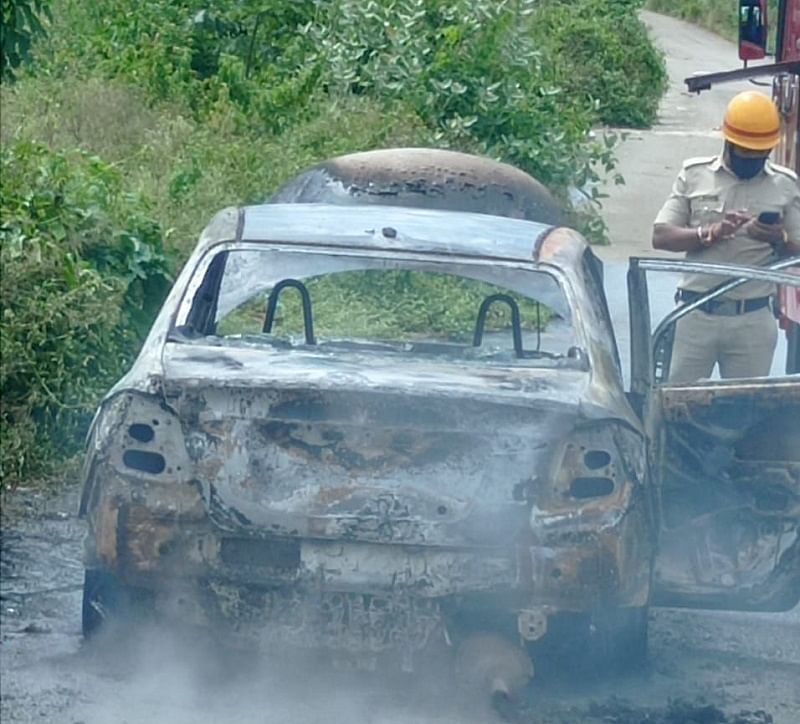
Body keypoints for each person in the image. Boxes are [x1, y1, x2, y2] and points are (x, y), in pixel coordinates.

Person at [652, 90, 800, 383]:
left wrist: (777, 239)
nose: (753, 160)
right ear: (729, 142)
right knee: (678, 406)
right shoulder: (694, 175)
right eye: (747, 153)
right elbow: (661, 236)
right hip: (696, 314)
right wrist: (711, 232)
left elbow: (797, 250)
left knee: (747, 413)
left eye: (761, 154)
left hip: (752, 321)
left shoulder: (785, 185)